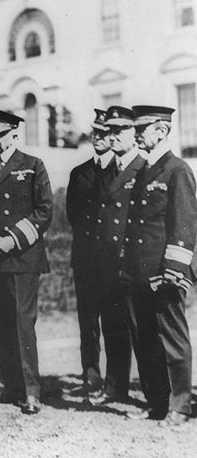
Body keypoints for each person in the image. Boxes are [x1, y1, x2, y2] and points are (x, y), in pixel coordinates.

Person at [122, 105, 195, 427]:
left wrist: (173, 271)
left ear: (161, 131)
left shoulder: (177, 169)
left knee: (172, 340)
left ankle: (180, 406)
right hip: (139, 270)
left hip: (164, 272)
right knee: (146, 340)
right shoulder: (144, 169)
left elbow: (184, 223)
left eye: (142, 129)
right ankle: (157, 403)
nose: (136, 134)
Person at [0, 109, 53, 415]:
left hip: (22, 258)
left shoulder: (33, 166)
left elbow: (45, 211)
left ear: (15, 136)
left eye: (0, 135)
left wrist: (9, 240)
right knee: (2, 323)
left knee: (22, 324)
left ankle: (31, 391)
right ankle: (11, 387)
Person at [89, 106, 147, 405]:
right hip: (107, 261)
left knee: (141, 330)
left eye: (118, 131)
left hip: (132, 261)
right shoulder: (107, 169)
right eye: (108, 130)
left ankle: (154, 395)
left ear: (134, 134)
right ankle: (115, 388)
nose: (111, 137)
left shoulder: (143, 167)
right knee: (112, 326)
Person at [66, 109, 119, 401]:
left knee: (113, 320)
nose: (99, 138)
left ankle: (114, 381)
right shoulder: (79, 173)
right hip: (85, 259)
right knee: (87, 322)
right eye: (96, 133)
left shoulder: (122, 172)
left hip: (111, 261)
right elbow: (73, 214)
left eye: (105, 133)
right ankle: (90, 374)